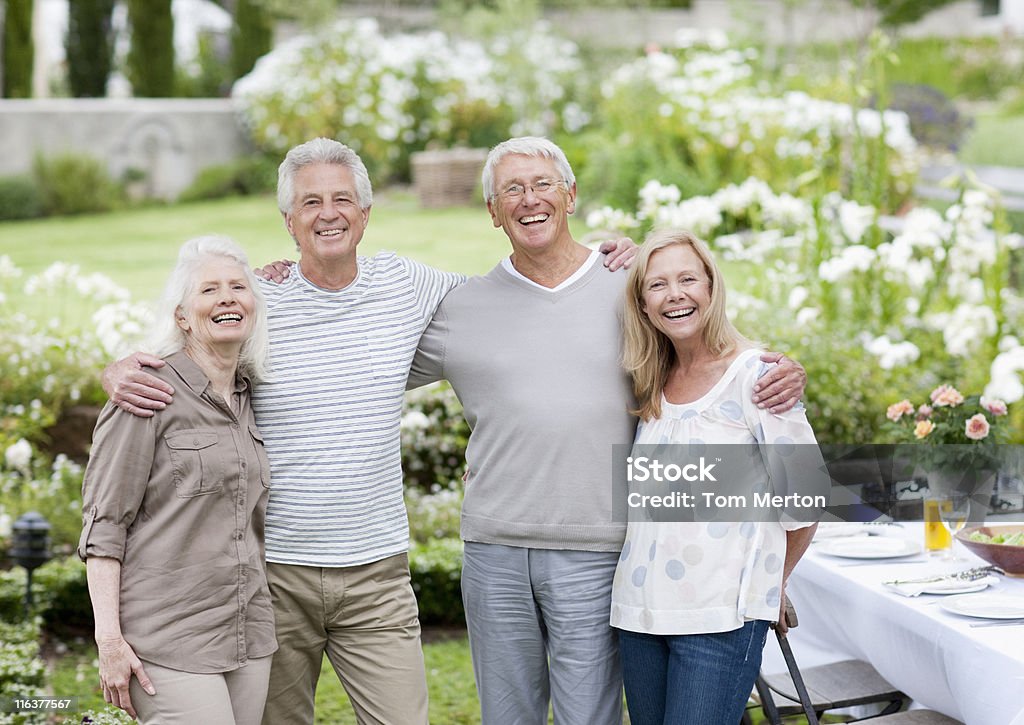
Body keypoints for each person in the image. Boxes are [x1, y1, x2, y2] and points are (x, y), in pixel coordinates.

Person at [101, 137, 637, 725]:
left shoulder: (408, 287)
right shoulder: (259, 302)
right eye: (310, 203)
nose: (327, 214)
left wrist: (617, 263)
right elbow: (192, 340)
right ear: (288, 220)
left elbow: (521, 294)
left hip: (377, 572)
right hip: (272, 572)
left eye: (341, 199)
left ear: (365, 213)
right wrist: (119, 367)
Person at [406, 137, 809, 724]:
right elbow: (370, 363)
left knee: (589, 717)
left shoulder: (628, 284)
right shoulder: (460, 307)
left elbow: (705, 345)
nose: (529, 200)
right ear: (492, 212)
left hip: (599, 550)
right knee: (506, 716)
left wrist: (784, 370)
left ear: (570, 195)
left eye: (543, 184)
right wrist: (282, 292)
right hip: (493, 548)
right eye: (511, 190)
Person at [610, 228, 820, 725]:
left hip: (721, 618)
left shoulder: (758, 376)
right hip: (640, 613)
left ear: (711, 289)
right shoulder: (651, 382)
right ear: (642, 307)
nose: (676, 294)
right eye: (658, 285)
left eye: (689, 279)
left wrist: (771, 584)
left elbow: (806, 501)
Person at [79, 236, 275, 724]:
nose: (227, 298)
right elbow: (104, 526)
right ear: (182, 316)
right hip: (166, 639)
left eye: (237, 287)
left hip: (247, 631)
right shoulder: (146, 394)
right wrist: (109, 640)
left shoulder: (253, 396)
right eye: (209, 290)